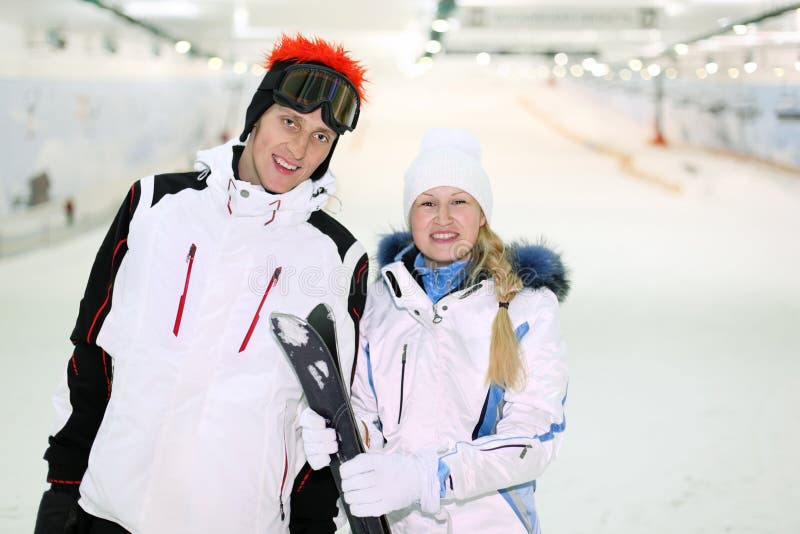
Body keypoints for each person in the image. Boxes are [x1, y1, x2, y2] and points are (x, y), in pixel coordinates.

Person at [34, 34, 370, 534]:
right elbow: (93, 351)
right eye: (290, 122)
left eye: (321, 137)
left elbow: (326, 416)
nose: (299, 149)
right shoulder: (154, 205)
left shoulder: (337, 258)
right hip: (110, 512)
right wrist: (64, 488)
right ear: (257, 116)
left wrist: (312, 523)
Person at [300, 128, 570, 533]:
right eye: (427, 203)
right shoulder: (378, 306)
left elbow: (536, 436)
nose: (443, 218)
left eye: (459, 201)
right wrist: (334, 435)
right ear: (411, 217)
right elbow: (365, 417)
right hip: (401, 525)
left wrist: (430, 477)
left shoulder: (527, 308)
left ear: (482, 215)